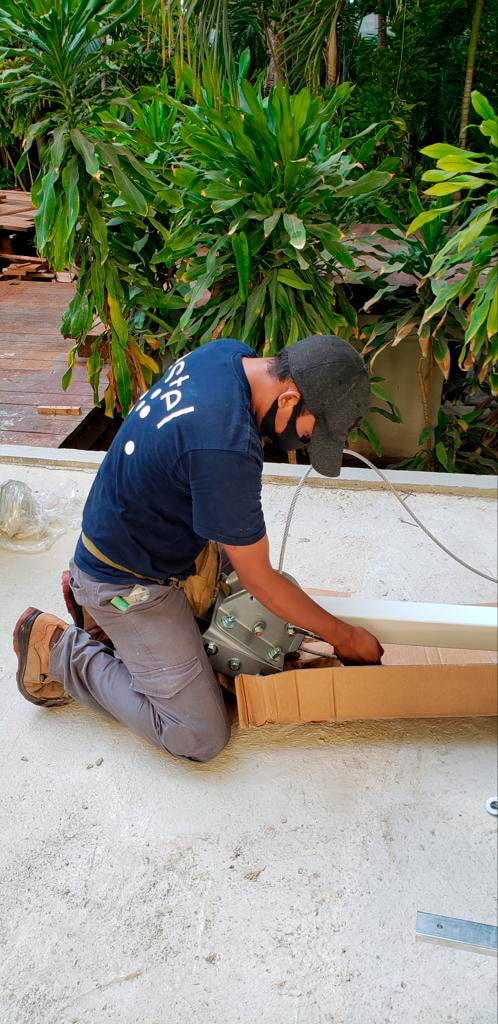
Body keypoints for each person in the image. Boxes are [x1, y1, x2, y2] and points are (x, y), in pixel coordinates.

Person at [13, 334, 383, 762]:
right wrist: (346, 637)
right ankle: (59, 650)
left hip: (144, 534)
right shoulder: (226, 446)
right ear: (289, 399)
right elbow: (259, 578)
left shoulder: (228, 356)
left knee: (256, 617)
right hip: (126, 578)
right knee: (199, 734)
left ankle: (104, 619)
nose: (303, 442)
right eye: (310, 433)